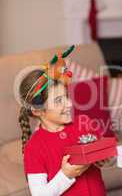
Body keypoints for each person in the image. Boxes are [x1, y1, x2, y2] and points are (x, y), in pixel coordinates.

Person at [18, 47, 108, 196]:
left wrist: (108, 157)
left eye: (66, 96)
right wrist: (66, 175)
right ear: (37, 110)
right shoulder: (34, 148)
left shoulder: (84, 123)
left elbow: (105, 158)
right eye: (59, 100)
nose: (69, 104)